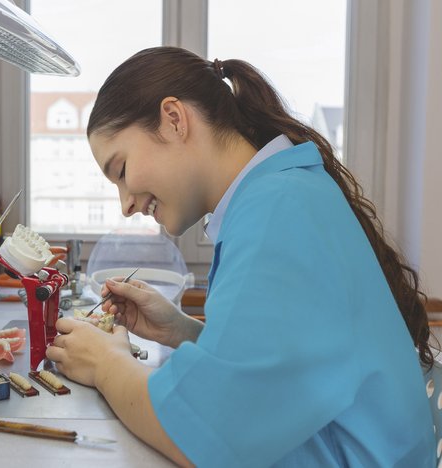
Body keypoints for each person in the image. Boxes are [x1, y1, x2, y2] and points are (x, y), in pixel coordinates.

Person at [45, 46, 436, 467]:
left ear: (175, 120)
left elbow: (202, 437)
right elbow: (286, 371)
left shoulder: (277, 212)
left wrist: (105, 363)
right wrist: (183, 331)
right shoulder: (279, 194)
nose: (124, 204)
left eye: (121, 170)